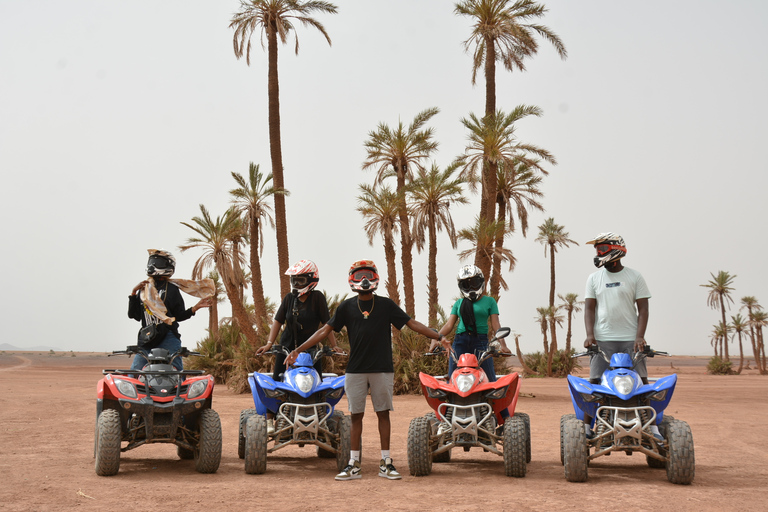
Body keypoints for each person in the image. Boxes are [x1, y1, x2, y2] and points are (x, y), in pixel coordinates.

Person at [285, 260, 447, 481]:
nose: (364, 280)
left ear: (375, 278)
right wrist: (297, 350)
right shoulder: (346, 307)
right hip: (355, 370)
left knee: (383, 414)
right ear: (352, 279)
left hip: (382, 369)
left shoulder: (386, 305)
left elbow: (411, 323)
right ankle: (353, 464)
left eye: (369, 275)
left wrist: (438, 337)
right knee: (356, 417)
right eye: (360, 275)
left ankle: (386, 463)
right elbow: (324, 331)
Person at [582, 232, 657, 439]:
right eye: (597, 250)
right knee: (595, 384)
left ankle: (652, 427)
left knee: (641, 383)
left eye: (603, 249)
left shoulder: (635, 276)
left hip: (631, 340)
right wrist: (590, 335)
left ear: (617, 249)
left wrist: (640, 337)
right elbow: (589, 309)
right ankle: (588, 428)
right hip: (602, 340)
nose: (598, 253)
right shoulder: (594, 278)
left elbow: (643, 309)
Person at [255, 259, 339, 434]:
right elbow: (278, 321)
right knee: (276, 384)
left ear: (311, 280)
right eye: (294, 280)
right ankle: (271, 418)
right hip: (286, 349)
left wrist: (334, 346)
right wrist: (270, 344)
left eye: (300, 280)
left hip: (311, 351)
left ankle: (321, 418)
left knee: (318, 384)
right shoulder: (289, 298)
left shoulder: (318, 298)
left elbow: (327, 324)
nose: (296, 284)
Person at [128, 249, 213, 371]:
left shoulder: (172, 289)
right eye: (152, 262)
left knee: (177, 372)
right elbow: (134, 315)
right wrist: (133, 293)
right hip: (146, 338)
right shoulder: (143, 290)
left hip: (168, 336)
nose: (153, 265)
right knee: (134, 372)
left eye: (157, 263)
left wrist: (195, 308)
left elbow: (179, 315)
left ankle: (179, 390)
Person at [429, 265, 512, 380]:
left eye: (474, 283)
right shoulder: (459, 303)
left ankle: (489, 398)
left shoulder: (490, 301)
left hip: (480, 342)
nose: (471, 287)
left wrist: (503, 345)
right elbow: (449, 325)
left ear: (481, 282)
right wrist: (435, 338)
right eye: (466, 285)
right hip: (460, 342)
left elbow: (496, 325)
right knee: (452, 377)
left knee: (490, 378)